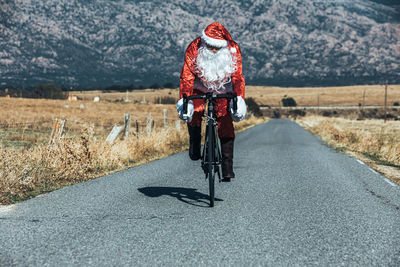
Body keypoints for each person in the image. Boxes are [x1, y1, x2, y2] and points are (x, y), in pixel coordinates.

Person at [177, 22, 246, 180]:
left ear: (224, 46)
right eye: (210, 46)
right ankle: (195, 143)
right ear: (204, 42)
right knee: (194, 111)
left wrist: (238, 98)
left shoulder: (233, 49)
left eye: (217, 47)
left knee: (225, 119)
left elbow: (237, 77)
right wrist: (186, 99)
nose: (213, 50)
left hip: (224, 87)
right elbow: (186, 75)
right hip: (198, 85)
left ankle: (227, 166)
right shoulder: (194, 47)